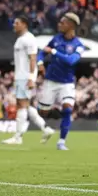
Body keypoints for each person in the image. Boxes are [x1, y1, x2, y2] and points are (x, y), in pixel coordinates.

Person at [3, 16, 54, 145]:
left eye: (17, 22)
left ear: (24, 24)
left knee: (21, 105)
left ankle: (18, 137)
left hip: (25, 77)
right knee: (26, 105)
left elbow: (33, 59)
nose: (14, 25)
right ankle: (46, 128)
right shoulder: (21, 39)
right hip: (20, 76)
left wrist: (31, 78)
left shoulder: (29, 39)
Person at [37, 12, 84, 151]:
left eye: (62, 22)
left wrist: (54, 52)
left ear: (70, 25)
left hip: (67, 83)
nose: (59, 24)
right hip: (50, 81)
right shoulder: (56, 39)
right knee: (43, 112)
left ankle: (61, 141)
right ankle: (54, 114)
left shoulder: (78, 45)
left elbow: (72, 61)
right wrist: (40, 62)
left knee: (68, 110)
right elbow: (43, 52)